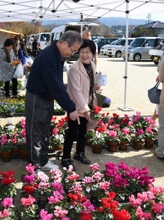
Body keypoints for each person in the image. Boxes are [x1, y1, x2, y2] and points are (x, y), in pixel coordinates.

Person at [25, 31, 82, 172]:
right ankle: (35, 167)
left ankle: (43, 161)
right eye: (72, 49)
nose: (71, 53)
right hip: (37, 98)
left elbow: (58, 84)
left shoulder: (58, 54)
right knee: (35, 133)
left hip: (46, 97)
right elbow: (55, 84)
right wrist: (71, 107)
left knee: (44, 131)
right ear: (63, 43)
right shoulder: (49, 56)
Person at [61, 39, 101, 169]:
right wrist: (85, 109)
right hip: (75, 106)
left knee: (83, 132)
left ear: (93, 53)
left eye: (88, 52)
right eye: (82, 52)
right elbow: (76, 91)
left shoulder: (92, 65)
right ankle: (66, 157)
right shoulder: (74, 69)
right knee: (72, 132)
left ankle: (80, 153)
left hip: (86, 103)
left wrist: (95, 86)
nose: (84, 55)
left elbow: (89, 85)